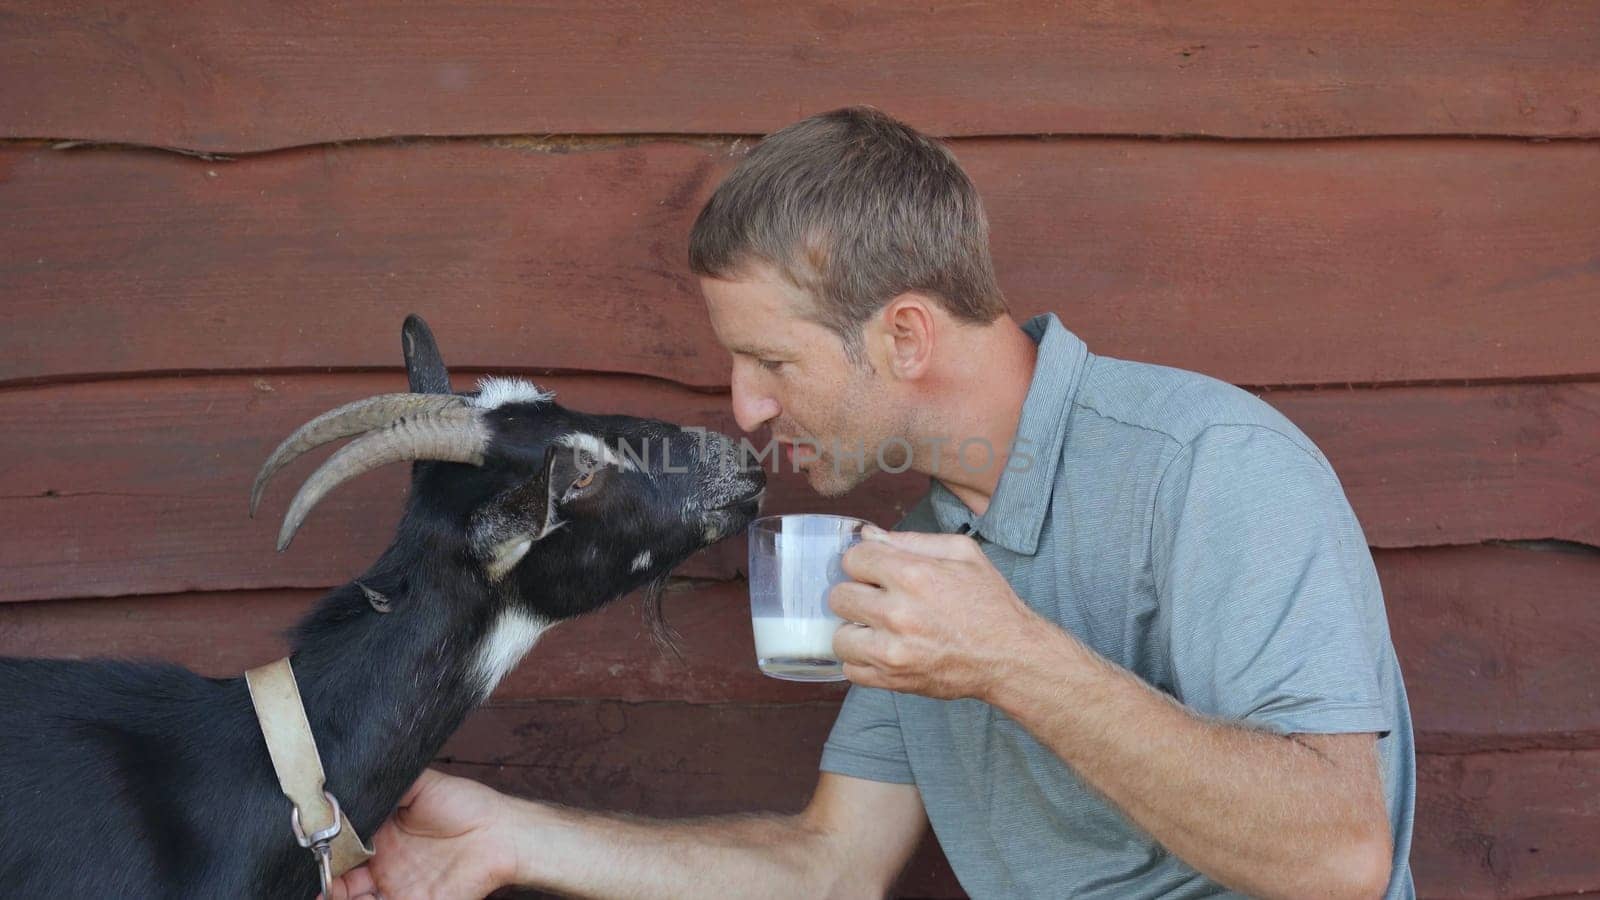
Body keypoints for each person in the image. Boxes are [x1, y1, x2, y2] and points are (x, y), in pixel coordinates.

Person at [329, 107, 1415, 899]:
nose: (746, 412)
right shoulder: (930, 552)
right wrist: (511, 837)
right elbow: (830, 865)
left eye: (769, 362)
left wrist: (1014, 660)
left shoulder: (1207, 467)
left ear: (903, 335)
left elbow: (1339, 856)